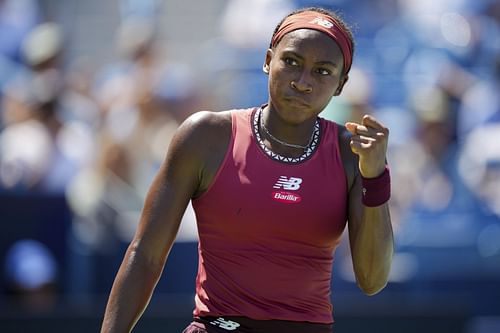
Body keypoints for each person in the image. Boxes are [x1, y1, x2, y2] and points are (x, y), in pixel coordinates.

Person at [100, 7, 394, 333]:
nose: (303, 82)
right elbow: (145, 255)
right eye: (292, 62)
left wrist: (375, 176)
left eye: (323, 71)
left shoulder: (351, 154)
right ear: (269, 60)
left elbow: (372, 279)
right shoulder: (206, 136)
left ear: (341, 84)